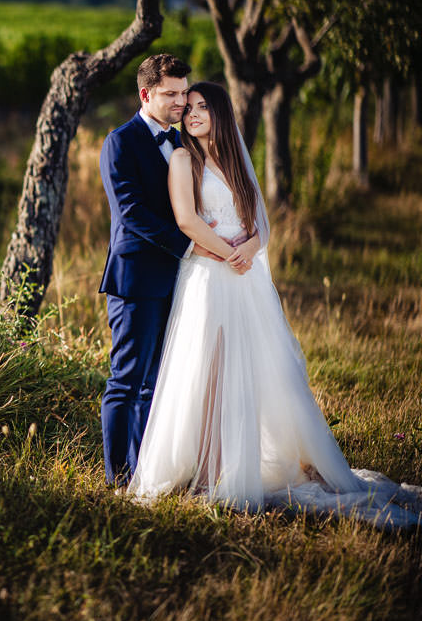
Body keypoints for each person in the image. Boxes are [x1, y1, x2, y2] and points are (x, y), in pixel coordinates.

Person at [128, 81, 420, 527]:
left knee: (249, 370)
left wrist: (252, 246)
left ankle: (240, 463)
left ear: (221, 113)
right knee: (208, 369)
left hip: (245, 281)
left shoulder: (235, 160)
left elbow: (258, 218)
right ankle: (208, 469)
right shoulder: (184, 159)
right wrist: (229, 253)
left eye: (202, 107)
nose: (192, 115)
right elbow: (186, 219)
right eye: (188, 109)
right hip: (209, 279)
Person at [98, 54, 222, 487]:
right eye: (170, 93)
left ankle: (146, 476)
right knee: (127, 380)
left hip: (182, 279)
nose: (180, 101)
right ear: (145, 94)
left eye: (183, 92)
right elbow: (130, 212)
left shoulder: (184, 143)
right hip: (136, 280)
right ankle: (118, 480)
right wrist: (189, 243)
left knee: (158, 383)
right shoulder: (120, 142)